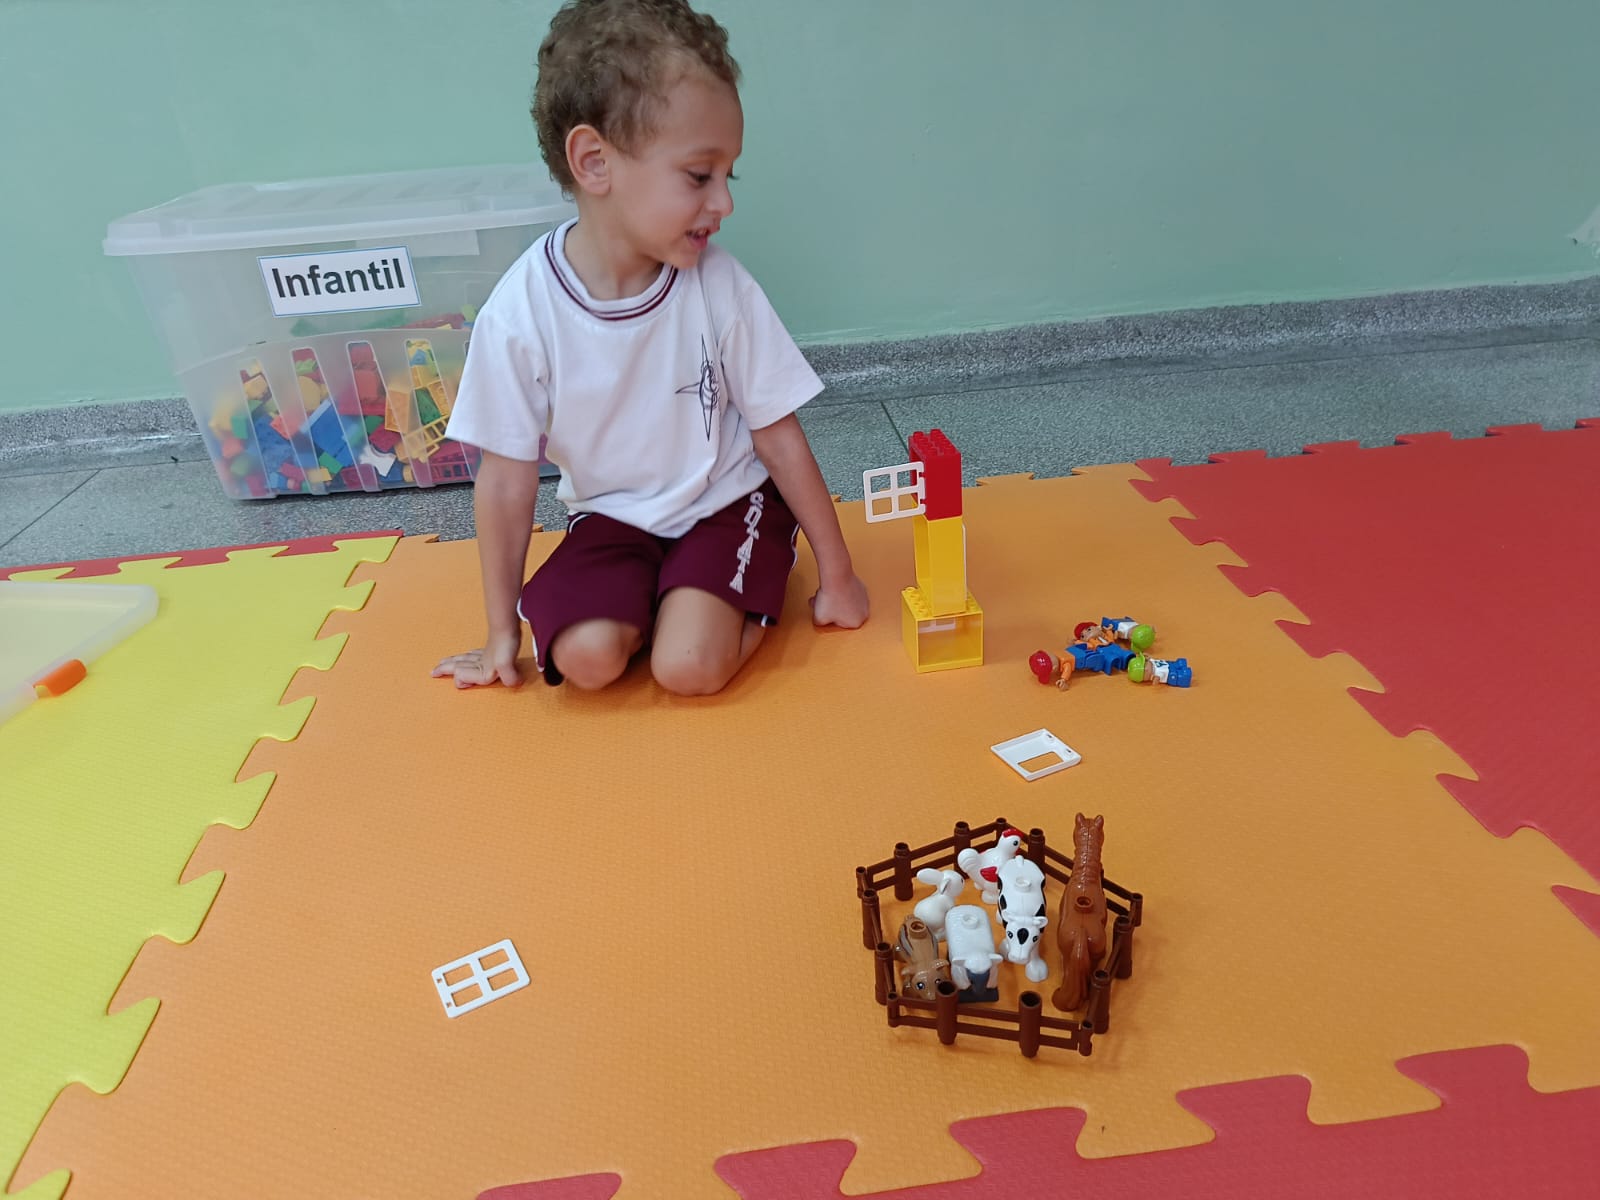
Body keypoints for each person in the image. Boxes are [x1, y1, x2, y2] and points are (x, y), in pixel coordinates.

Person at [432, 0, 868, 697]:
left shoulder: (718, 285)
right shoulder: (519, 313)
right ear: (594, 162)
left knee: (686, 667)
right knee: (585, 661)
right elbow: (507, 481)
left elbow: (778, 433)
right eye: (699, 176)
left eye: (729, 175)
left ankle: (737, 591)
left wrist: (838, 575)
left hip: (726, 503)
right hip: (611, 520)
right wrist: (499, 634)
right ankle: (668, 603)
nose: (724, 203)